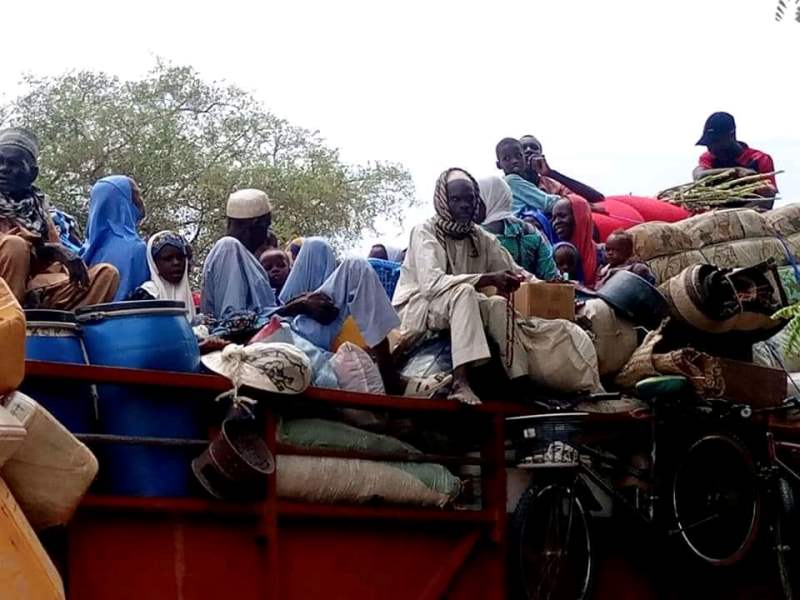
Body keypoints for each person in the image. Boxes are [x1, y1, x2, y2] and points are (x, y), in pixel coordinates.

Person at [394, 168, 600, 405]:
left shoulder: (479, 237)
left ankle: (519, 382)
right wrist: (489, 278)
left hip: (463, 308)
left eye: (470, 199)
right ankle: (461, 383)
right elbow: (432, 285)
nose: (464, 205)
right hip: (420, 306)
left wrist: (559, 295)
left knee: (498, 304)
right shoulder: (425, 232)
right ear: (443, 200)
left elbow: (518, 273)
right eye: (456, 199)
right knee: (465, 291)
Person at [202, 189, 402, 391]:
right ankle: (391, 383)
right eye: (266, 226)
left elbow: (267, 310)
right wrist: (297, 306)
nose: (268, 233)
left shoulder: (248, 257)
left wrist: (300, 302)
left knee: (344, 260)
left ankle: (388, 368)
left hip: (288, 329)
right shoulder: (228, 248)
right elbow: (234, 329)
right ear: (256, 225)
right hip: (262, 345)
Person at [0, 127, 118, 308]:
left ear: (32, 174)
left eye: (14, 164)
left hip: (32, 287)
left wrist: (53, 260)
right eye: (0, 161)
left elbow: (53, 263)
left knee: (106, 274)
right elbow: (15, 248)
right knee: (14, 246)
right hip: (4, 289)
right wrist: (48, 249)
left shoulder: (37, 209)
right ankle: (10, 325)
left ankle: (50, 326)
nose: (4, 169)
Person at [81, 175, 149, 301]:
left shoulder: (83, 252)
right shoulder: (136, 249)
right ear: (122, 202)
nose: (141, 201)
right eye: (136, 195)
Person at [479, 176, 559, 281]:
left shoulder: (474, 235)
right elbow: (551, 276)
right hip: (532, 293)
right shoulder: (530, 231)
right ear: (506, 196)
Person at [692, 112, 778, 201]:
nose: (711, 148)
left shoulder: (759, 159)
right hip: (714, 211)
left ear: (731, 135)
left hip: (750, 210)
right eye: (708, 144)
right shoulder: (709, 157)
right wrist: (736, 171)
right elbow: (699, 176)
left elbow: (768, 198)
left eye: (716, 142)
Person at [128, 230, 196, 320]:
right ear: (154, 264)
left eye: (180, 258)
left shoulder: (186, 294)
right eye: (168, 259)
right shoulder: (147, 295)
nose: (176, 263)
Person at [519, 135, 605, 204]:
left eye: (534, 147)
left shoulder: (553, 185)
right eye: (524, 148)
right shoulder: (508, 184)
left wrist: (550, 173)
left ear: (541, 155)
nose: (529, 150)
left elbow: (597, 198)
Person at [496, 138, 562, 215]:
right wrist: (568, 201)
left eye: (518, 156)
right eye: (506, 158)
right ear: (498, 165)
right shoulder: (511, 180)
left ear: (524, 159)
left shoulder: (554, 185)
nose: (514, 161)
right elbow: (547, 203)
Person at [551, 196, 602, 289]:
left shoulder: (603, 255)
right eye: (553, 218)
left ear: (580, 216)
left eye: (562, 216)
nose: (556, 222)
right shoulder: (551, 256)